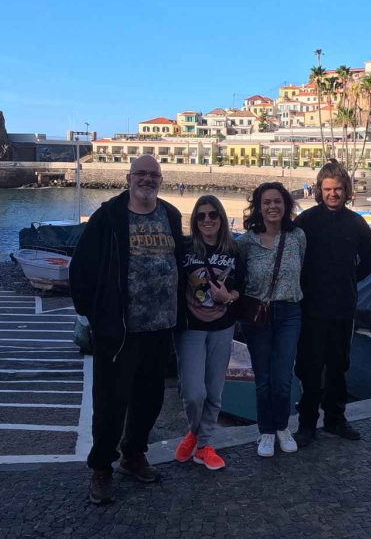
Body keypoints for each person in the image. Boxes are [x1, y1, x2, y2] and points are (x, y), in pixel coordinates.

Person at [69, 155, 184, 506]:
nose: (147, 180)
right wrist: (93, 314)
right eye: (141, 174)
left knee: (150, 400)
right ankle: (102, 468)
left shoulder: (171, 215)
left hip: (160, 328)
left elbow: (179, 261)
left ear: (161, 180)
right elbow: (80, 269)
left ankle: (133, 455)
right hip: (119, 332)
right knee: (110, 405)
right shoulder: (108, 216)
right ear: (129, 177)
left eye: (153, 175)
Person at [293, 160, 371, 447]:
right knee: (309, 368)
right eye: (327, 189)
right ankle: (306, 423)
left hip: (343, 308)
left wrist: (348, 280)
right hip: (311, 309)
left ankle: (335, 419)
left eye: (338, 189)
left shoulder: (356, 223)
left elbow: (370, 261)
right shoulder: (305, 221)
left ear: (346, 190)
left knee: (339, 366)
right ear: (319, 190)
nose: (333, 194)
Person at [173, 194, 243, 472]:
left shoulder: (233, 250)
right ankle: (194, 430)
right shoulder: (185, 247)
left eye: (212, 215)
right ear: (194, 220)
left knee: (214, 390)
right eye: (200, 216)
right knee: (193, 392)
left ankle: (202, 445)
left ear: (221, 218)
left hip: (222, 328)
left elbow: (242, 287)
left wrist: (229, 296)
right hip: (190, 329)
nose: (207, 220)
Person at [238, 181, 306, 458]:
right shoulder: (246, 242)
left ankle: (282, 427)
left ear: (286, 204)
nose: (272, 206)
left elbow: (303, 268)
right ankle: (265, 431)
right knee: (263, 378)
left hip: (289, 312)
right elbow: (238, 279)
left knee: (282, 378)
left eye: (277, 201)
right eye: (266, 202)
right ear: (258, 207)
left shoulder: (297, 236)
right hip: (257, 316)